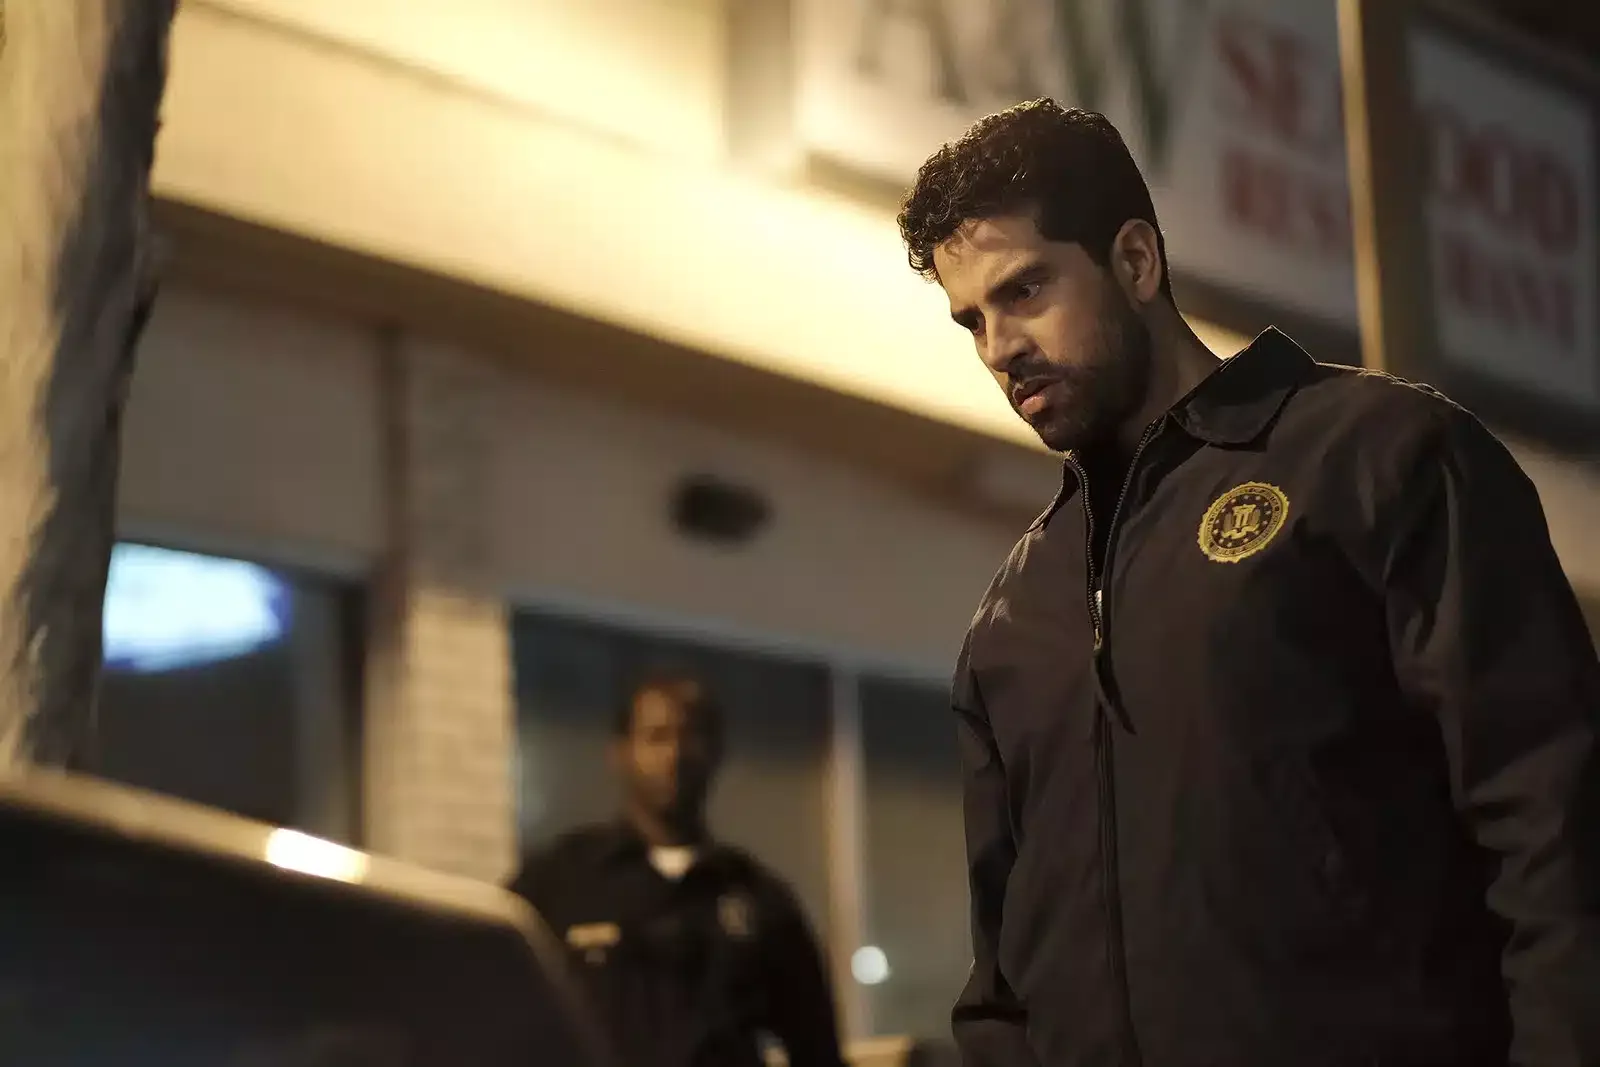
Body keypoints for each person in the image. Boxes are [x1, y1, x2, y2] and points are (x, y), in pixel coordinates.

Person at [897, 98, 1600, 1067]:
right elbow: (1002, 983)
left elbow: (1556, 828)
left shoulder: (1379, 458)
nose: (997, 347)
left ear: (1135, 261)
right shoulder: (1012, 620)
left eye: (1024, 290)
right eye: (971, 319)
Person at [508, 671, 846, 1067]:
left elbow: (818, 1051)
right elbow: (492, 1012)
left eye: (691, 737)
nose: (675, 756)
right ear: (621, 752)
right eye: (656, 737)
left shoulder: (760, 901)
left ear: (716, 754)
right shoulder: (560, 882)